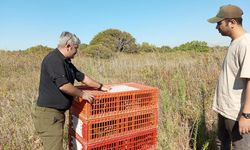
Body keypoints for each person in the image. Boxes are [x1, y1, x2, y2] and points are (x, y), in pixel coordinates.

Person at [32, 31, 110, 150]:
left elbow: (82, 77)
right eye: (76, 48)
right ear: (68, 46)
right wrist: (82, 94)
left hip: (57, 113)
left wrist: (100, 86)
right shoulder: (54, 59)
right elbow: (63, 85)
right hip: (48, 114)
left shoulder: (66, 61)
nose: (77, 51)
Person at [208, 4, 250, 149]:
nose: (217, 28)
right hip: (225, 109)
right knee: (222, 143)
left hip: (237, 113)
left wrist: (246, 115)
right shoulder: (235, 42)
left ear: (232, 22)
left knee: (241, 146)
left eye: (219, 23)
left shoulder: (246, 44)